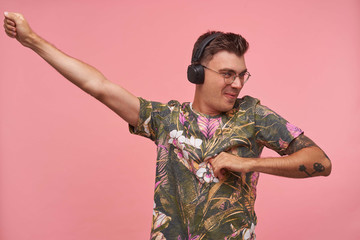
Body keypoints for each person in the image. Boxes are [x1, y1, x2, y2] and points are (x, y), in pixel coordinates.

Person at [3, 12, 331, 240]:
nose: (237, 84)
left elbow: (320, 162)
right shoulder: (166, 120)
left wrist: (247, 163)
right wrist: (33, 41)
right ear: (197, 74)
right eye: (227, 74)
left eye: (241, 74)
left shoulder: (254, 115)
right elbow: (98, 85)